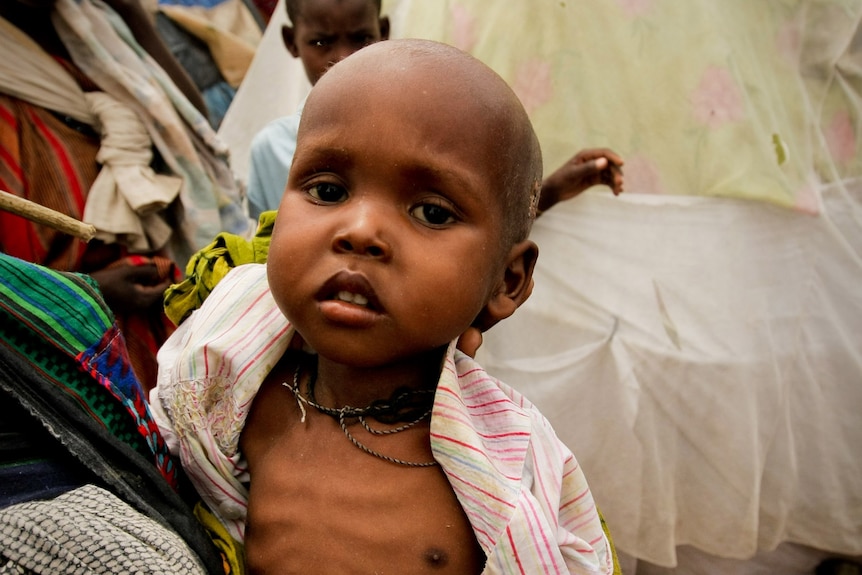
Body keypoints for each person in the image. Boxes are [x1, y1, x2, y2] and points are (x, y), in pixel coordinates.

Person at [152, 38, 619, 574]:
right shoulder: (228, 401)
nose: (361, 231)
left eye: (432, 212)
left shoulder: (506, 479)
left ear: (507, 280)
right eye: (327, 191)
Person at [0, 0, 250, 393]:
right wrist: (92, 287)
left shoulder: (92, 22)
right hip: (67, 351)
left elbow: (191, 128)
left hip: (165, 313)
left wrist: (134, 14)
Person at [246, 0, 624, 221]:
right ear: (290, 42)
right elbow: (263, 260)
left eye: (360, 38)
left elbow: (466, 230)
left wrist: (552, 191)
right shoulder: (273, 149)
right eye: (321, 42)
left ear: (383, 31)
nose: (343, 58)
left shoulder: (424, 127)